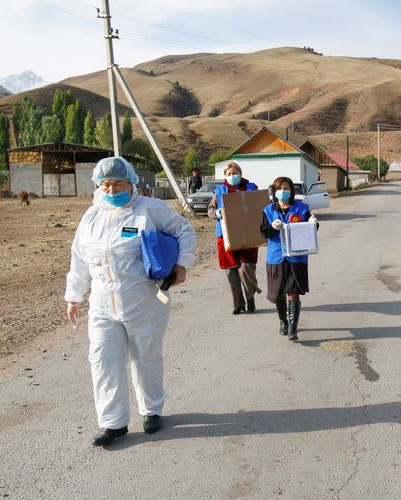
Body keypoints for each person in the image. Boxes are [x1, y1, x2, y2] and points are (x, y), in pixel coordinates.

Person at [65, 157, 196, 446]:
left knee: (146, 358)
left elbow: (184, 230)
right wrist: (74, 296)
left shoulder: (149, 210)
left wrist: (183, 264)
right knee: (102, 361)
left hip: (144, 300)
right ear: (99, 186)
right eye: (106, 184)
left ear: (131, 182)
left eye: (118, 183)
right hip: (102, 304)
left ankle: (151, 409)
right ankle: (113, 422)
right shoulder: (90, 218)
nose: (112, 190)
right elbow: (79, 260)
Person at [261, 176, 318, 341]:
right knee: (278, 293)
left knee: (293, 291)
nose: (283, 192)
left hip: (296, 257)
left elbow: (311, 227)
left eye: (287, 189)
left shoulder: (302, 208)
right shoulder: (268, 210)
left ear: (292, 191)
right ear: (274, 191)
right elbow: (263, 231)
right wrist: (271, 227)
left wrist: (314, 222)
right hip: (276, 256)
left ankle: (293, 328)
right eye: (280, 189)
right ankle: (283, 321)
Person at [207, 162, 262, 314]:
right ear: (225, 176)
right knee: (231, 271)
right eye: (229, 174)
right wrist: (215, 213)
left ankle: (250, 298)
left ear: (240, 173)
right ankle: (238, 305)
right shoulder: (219, 191)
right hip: (226, 236)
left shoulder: (251, 187)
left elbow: (261, 205)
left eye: (235, 172)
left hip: (247, 235)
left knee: (246, 268)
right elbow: (210, 209)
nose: (232, 176)